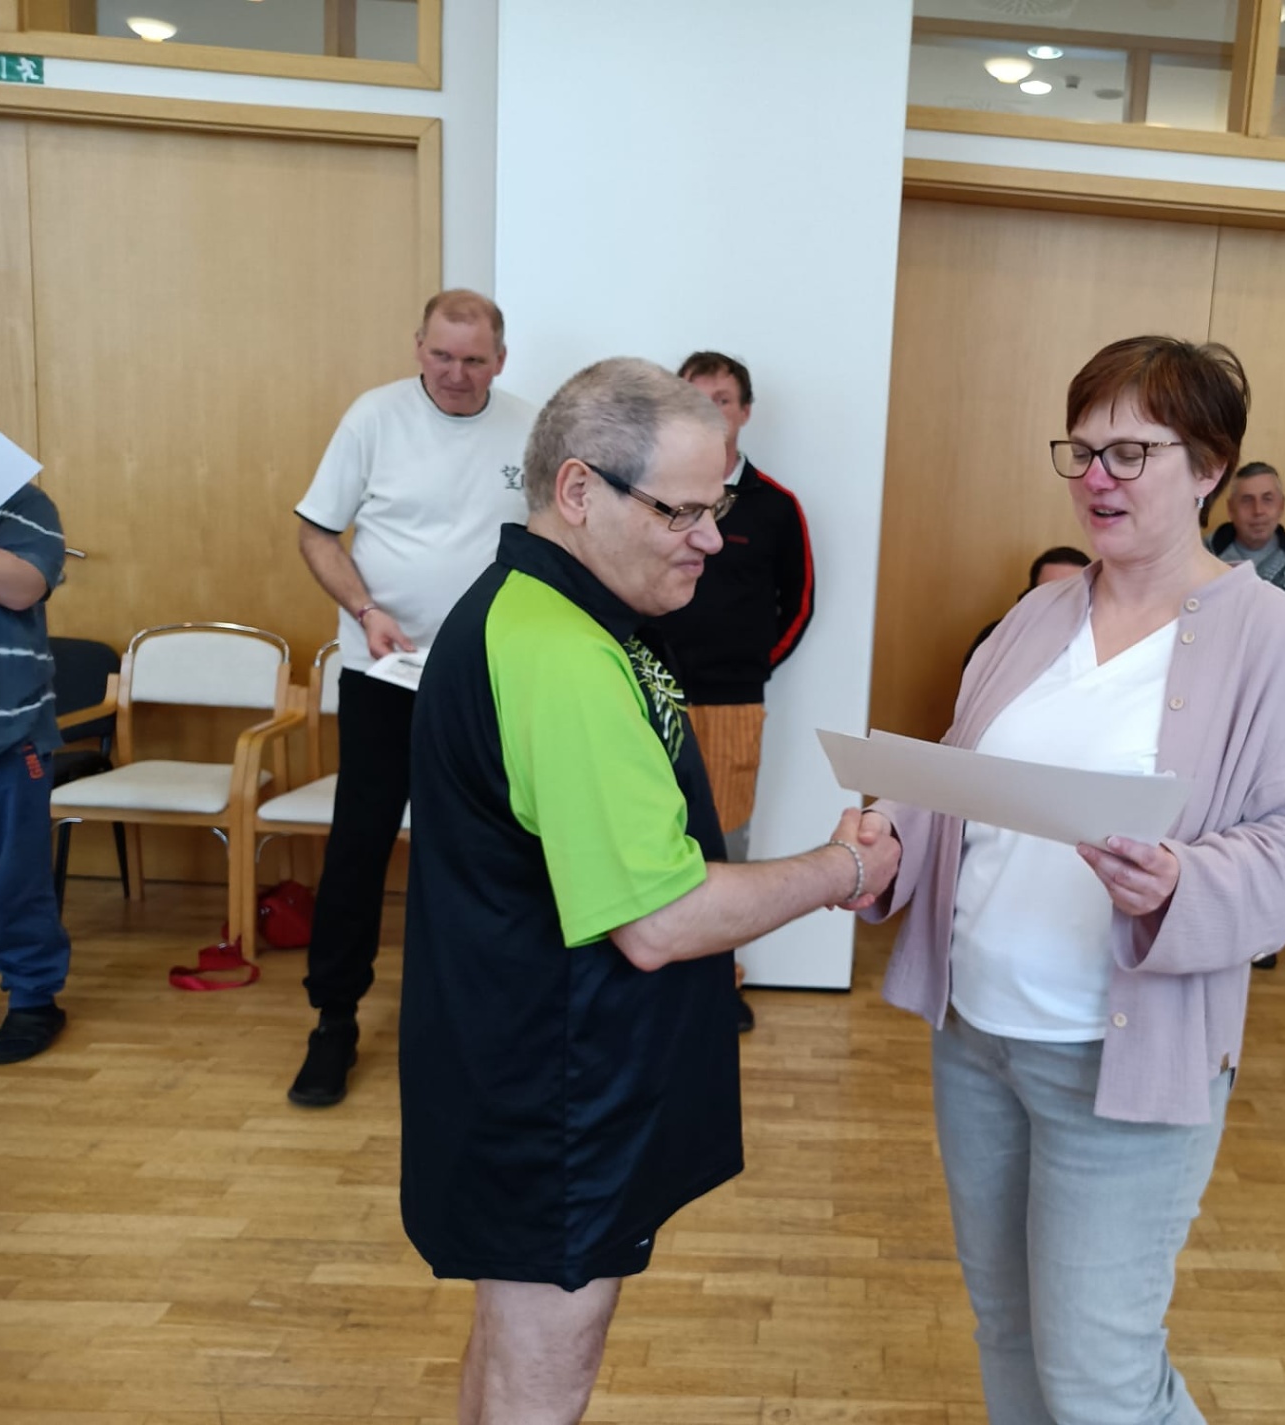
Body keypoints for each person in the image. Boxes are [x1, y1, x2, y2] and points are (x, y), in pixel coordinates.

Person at [857, 336, 1285, 1423]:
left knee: (1099, 1378)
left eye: (1131, 453)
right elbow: (965, 775)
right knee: (1007, 1331)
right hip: (977, 1040)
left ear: (1209, 466)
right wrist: (889, 831)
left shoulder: (1277, 642)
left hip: (1117, 1066)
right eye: (1080, 452)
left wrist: (1181, 883)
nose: (1096, 478)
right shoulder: (1038, 615)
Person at [396, 357, 896, 1424]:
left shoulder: (552, 616)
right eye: (682, 511)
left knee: (511, 1344)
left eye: (717, 510)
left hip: (531, 1066)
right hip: (555, 1088)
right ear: (579, 491)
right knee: (539, 1377)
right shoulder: (559, 652)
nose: (710, 539)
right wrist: (842, 870)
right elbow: (660, 921)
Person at [288, 289, 536, 1108]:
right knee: (360, 843)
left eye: (474, 359)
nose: (456, 373)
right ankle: (334, 1020)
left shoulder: (530, 429)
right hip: (383, 671)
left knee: (480, 847)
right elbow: (317, 531)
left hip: (485, 680)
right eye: (441, 355)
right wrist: (366, 610)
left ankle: (469, 1015)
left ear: (500, 359)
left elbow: (554, 542)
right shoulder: (374, 417)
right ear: (418, 347)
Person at [648, 351, 814, 1031]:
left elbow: (798, 603)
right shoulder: (652, 494)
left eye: (721, 399)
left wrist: (749, 668)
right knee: (644, 831)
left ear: (744, 411)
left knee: (724, 844)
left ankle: (719, 981)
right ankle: (647, 975)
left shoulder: (775, 506)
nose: (709, 411)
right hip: (648, 693)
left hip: (733, 703)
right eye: (694, 398)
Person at [0, 480, 73, 1065]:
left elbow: (23, 586)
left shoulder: (21, 500)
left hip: (9, 732)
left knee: (15, 875)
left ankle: (32, 998)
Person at [1206, 461, 1285, 624]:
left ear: (1281, 506)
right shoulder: (1205, 554)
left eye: (1267, 499)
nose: (1258, 511)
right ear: (1231, 509)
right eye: (1247, 500)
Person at [963, 545, 1091, 667]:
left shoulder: (1099, 642)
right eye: (1049, 591)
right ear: (1031, 594)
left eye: (1071, 591)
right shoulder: (997, 637)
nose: (1060, 601)